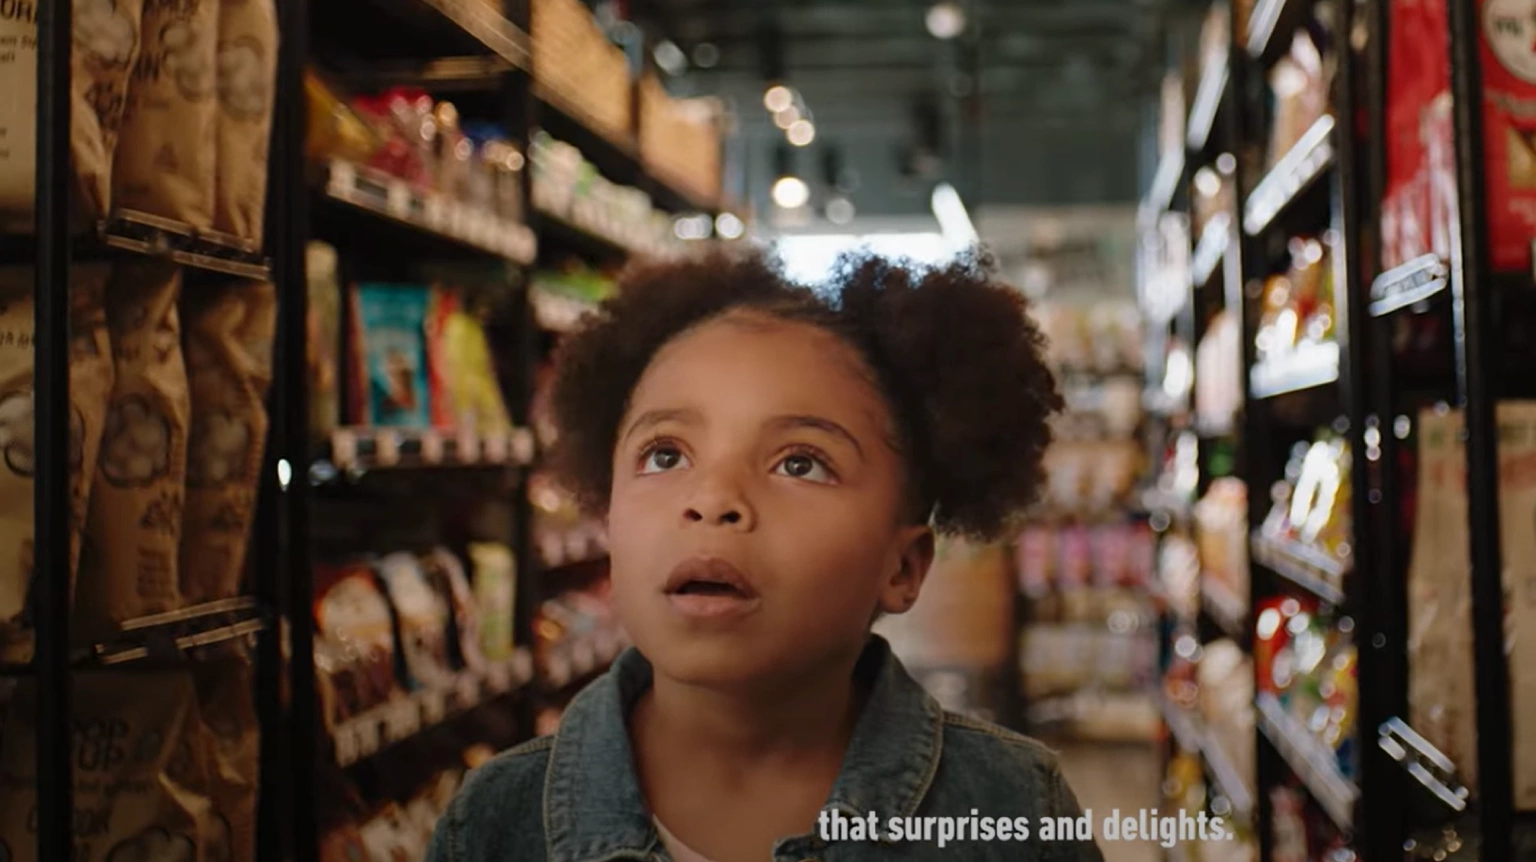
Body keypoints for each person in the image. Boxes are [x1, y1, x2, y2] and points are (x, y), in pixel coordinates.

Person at [426, 244, 1104, 862]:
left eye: (801, 464)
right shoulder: (494, 824)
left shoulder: (1015, 811)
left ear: (901, 567)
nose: (713, 499)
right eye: (666, 454)